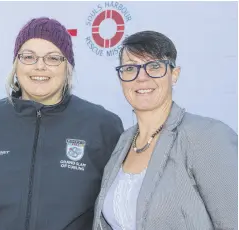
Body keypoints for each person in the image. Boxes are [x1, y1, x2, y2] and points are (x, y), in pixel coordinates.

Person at [0, 17, 124, 230]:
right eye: (28, 57)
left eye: (53, 58)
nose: (40, 66)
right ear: (16, 64)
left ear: (68, 67)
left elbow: (117, 210)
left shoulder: (102, 126)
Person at [92, 31, 238, 230]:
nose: (141, 77)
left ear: (174, 74)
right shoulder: (123, 142)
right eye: (130, 68)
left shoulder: (208, 136)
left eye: (154, 66)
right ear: (121, 78)